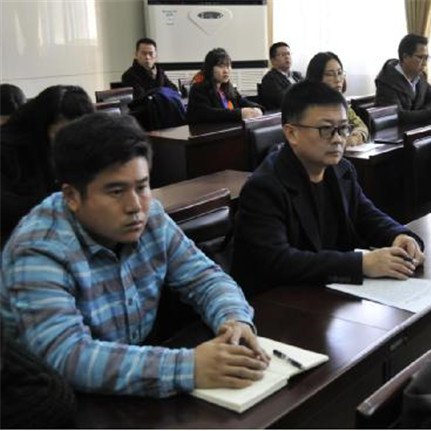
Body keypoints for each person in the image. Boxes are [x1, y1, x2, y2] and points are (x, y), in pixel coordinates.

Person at [0, 113, 269, 397]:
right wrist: (189, 367)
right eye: (116, 191)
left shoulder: (151, 216)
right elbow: (67, 356)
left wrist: (234, 319)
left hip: (129, 384)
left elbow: (205, 277)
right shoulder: (38, 248)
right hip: (49, 400)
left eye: (142, 187)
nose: (135, 206)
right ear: (71, 197)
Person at [232, 81, 425, 294]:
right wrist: (361, 264)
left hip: (325, 294)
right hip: (275, 301)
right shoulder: (264, 187)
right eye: (326, 129)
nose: (338, 139)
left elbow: (367, 216)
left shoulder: (341, 170)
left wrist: (399, 236)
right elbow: (279, 262)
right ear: (291, 133)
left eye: (343, 128)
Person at [1, 85, 94, 244]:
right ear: (43, 125)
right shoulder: (7, 149)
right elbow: (6, 209)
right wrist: (67, 201)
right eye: (63, 133)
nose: (72, 141)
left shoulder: (78, 145)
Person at [375, 33, 431, 125]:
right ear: (405, 57)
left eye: (426, 58)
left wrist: (423, 113)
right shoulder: (387, 81)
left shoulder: (420, 76)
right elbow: (399, 116)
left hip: (416, 128)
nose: (424, 63)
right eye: (420, 57)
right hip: (397, 131)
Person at [306, 51, 369, 146]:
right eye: (330, 74)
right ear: (316, 78)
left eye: (340, 73)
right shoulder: (309, 107)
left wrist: (356, 136)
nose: (338, 79)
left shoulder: (340, 103)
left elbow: (361, 126)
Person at [187, 48, 264, 124]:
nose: (226, 71)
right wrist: (239, 113)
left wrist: (256, 108)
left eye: (228, 66)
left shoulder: (227, 88)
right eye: (221, 66)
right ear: (210, 68)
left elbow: (242, 101)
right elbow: (207, 114)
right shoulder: (198, 89)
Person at [258, 42, 304, 110]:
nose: (287, 57)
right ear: (273, 60)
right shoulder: (270, 79)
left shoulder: (297, 75)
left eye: (288, 54)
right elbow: (284, 100)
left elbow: (310, 91)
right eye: (282, 55)